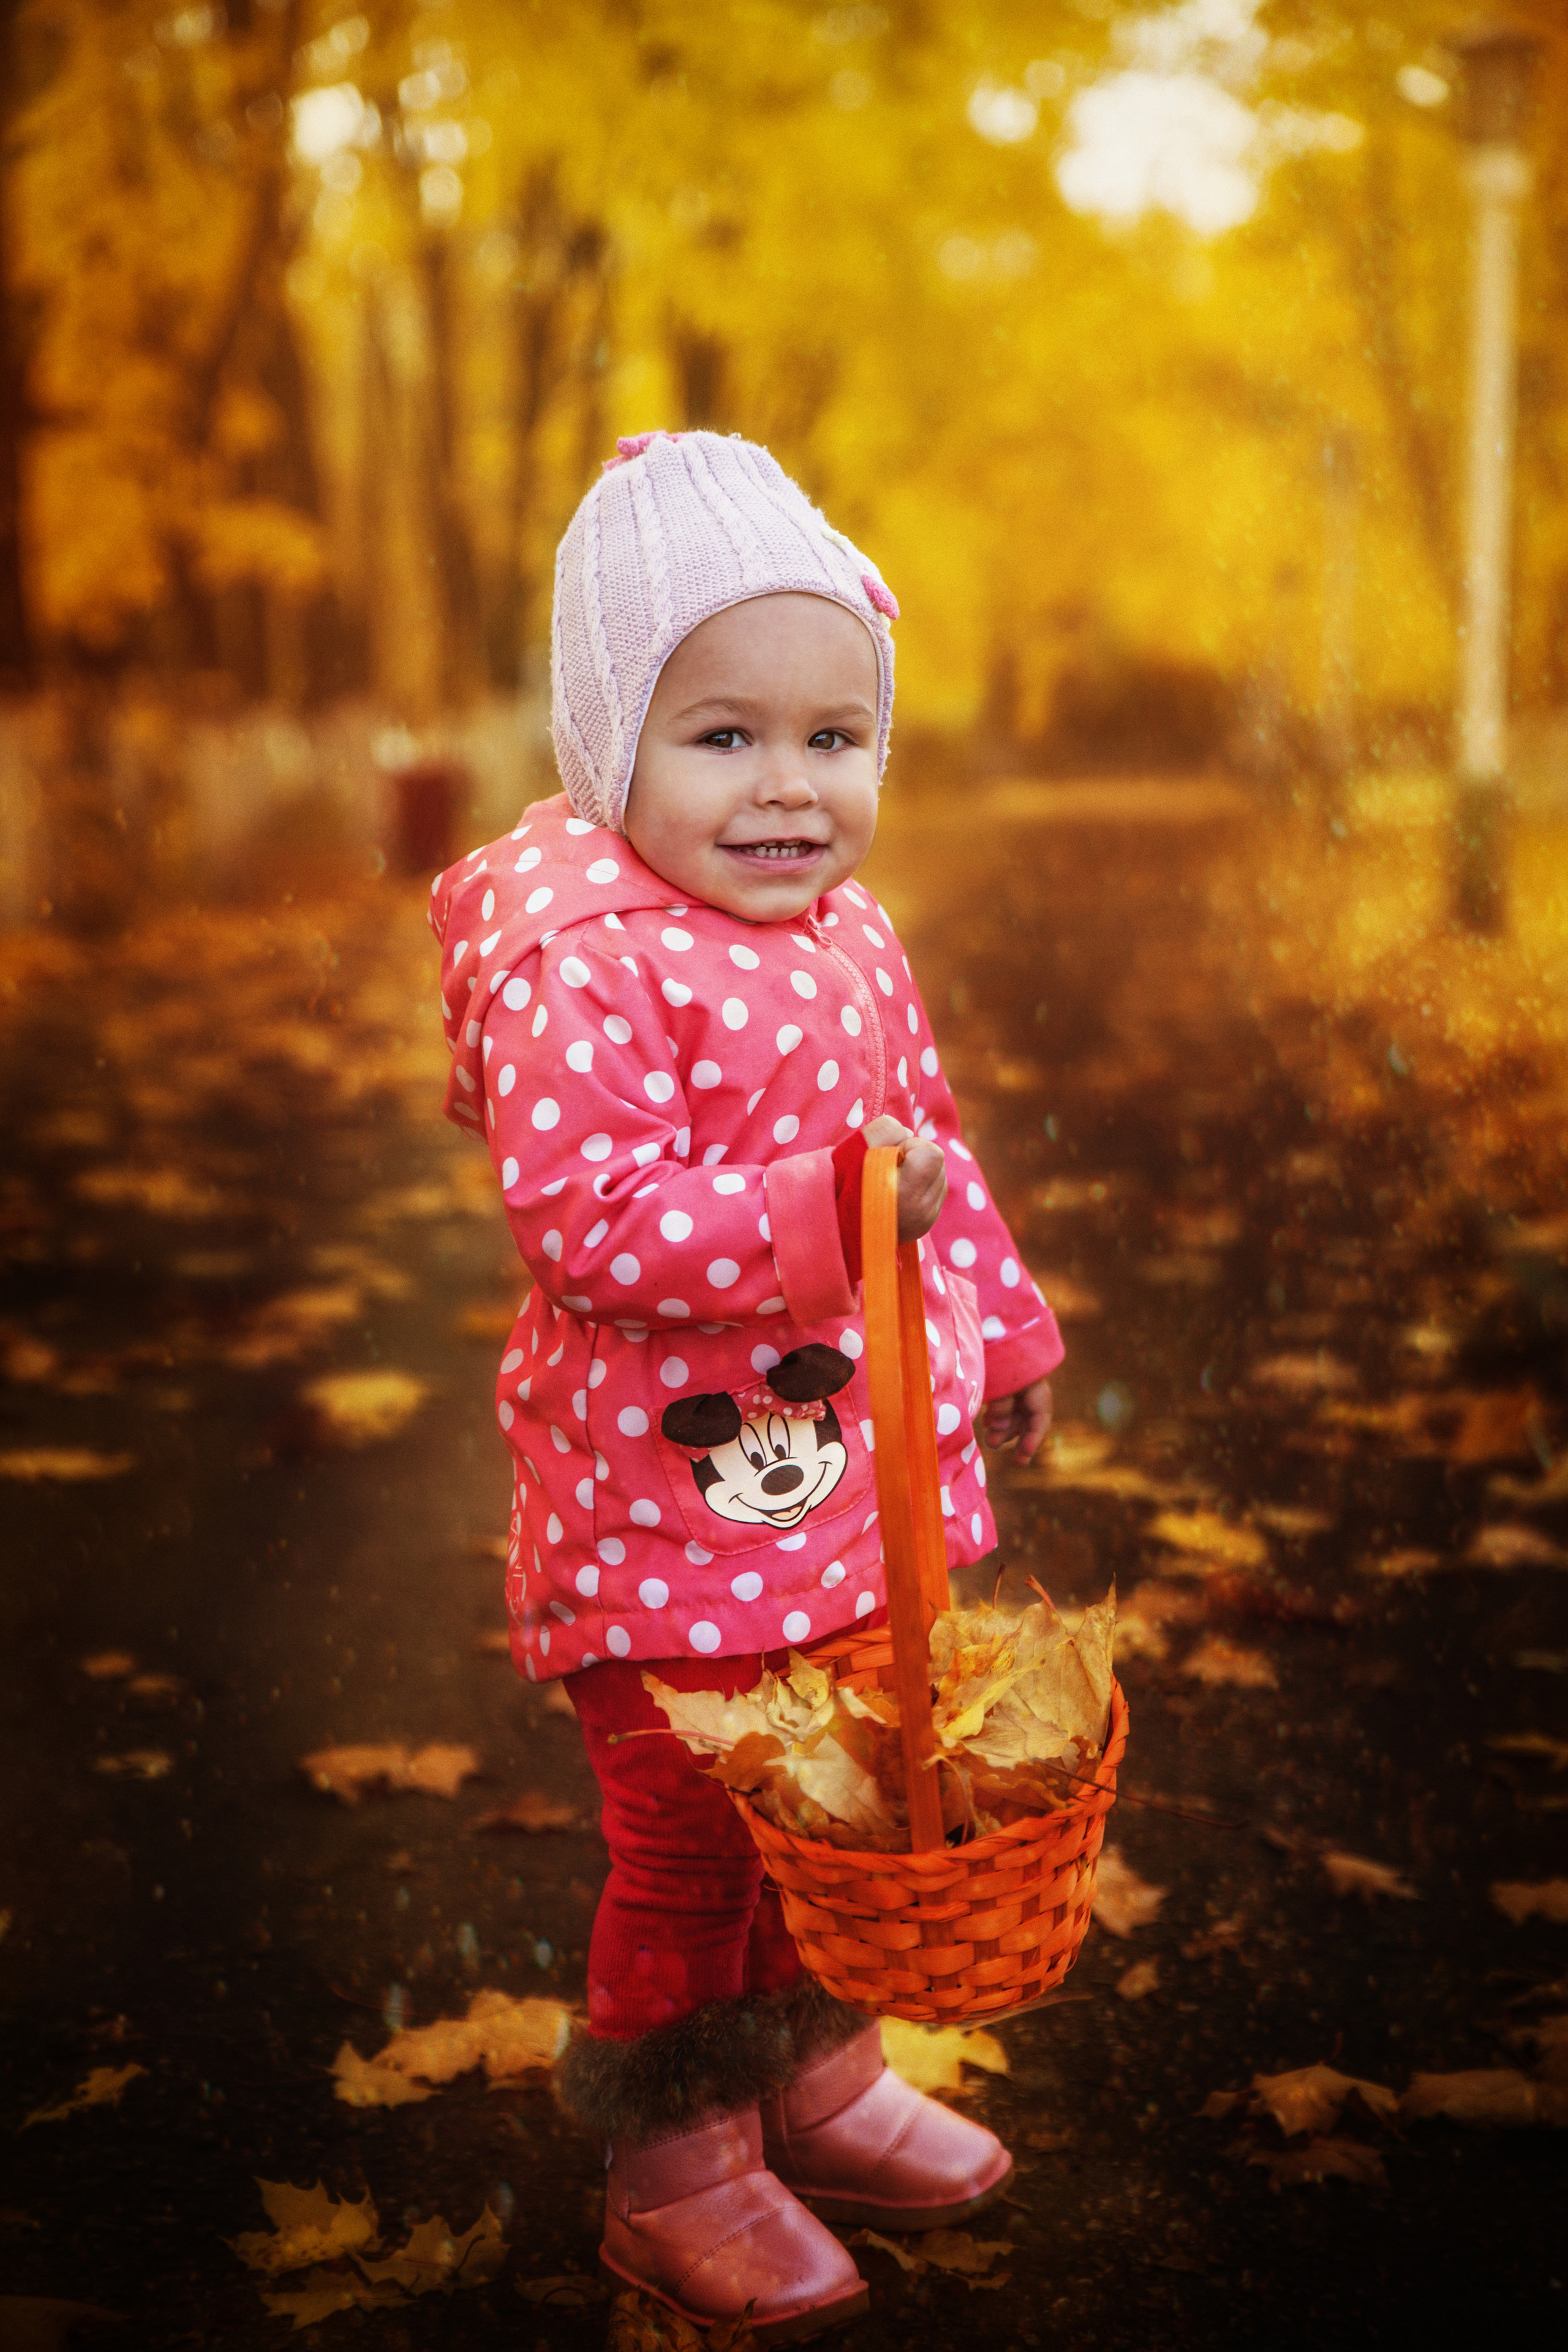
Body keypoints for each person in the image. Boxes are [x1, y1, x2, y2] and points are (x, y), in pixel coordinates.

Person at [429, 429, 1061, 2342]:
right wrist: (828, 1205)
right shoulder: (582, 965)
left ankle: (812, 2073)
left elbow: (926, 1146)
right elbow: (594, 1223)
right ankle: (676, 2160)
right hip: (665, 1527)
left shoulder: (852, 932)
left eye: (832, 739)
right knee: (697, 1842)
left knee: (835, 1802)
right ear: (613, 742)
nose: (789, 787)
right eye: (722, 738)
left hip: (848, 1502)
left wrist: (1003, 1328)